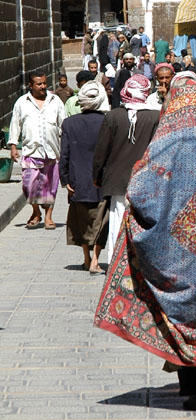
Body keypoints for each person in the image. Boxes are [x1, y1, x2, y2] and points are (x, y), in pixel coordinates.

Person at [94, 77, 196, 411]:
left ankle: (195, 391)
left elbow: (140, 191)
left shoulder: (169, 140)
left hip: (179, 251)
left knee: (180, 313)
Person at [93, 75, 160, 263]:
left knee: (117, 222)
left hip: (117, 182)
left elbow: (101, 152)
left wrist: (97, 176)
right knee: (142, 224)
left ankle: (116, 261)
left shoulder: (113, 116)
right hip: (146, 182)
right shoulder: (156, 116)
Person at [59, 81, 109, 275]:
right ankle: (96, 259)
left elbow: (65, 154)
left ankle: (87, 258)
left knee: (82, 221)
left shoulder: (69, 123)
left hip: (77, 181)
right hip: (101, 180)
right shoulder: (107, 121)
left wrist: (65, 179)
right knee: (100, 221)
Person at [8, 71, 65, 229]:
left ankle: (48, 217)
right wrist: (13, 145)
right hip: (31, 151)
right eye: (39, 84)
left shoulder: (55, 101)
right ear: (30, 86)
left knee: (50, 186)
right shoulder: (22, 102)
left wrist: (66, 146)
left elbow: (63, 124)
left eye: (44, 83)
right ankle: (36, 211)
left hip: (52, 150)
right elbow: (15, 124)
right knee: (28, 185)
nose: (43, 87)